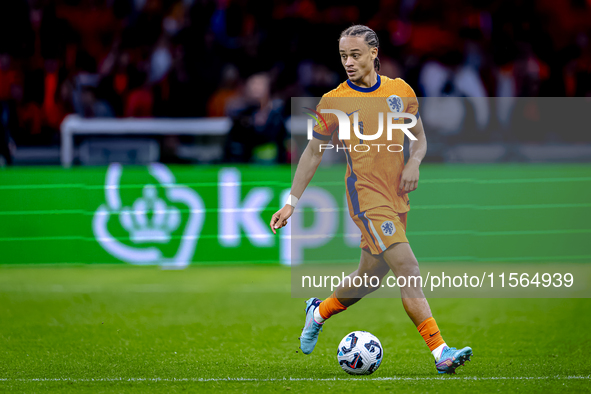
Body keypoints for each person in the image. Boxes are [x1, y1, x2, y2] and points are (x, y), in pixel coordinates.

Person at [269, 25, 472, 374]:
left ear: (374, 54)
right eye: (343, 56)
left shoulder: (400, 92)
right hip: (366, 197)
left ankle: (317, 312)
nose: (348, 62)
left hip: (397, 198)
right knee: (407, 268)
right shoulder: (333, 101)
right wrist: (291, 201)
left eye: (355, 54)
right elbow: (313, 152)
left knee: (370, 276)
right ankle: (441, 352)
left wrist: (414, 161)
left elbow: (420, 139)